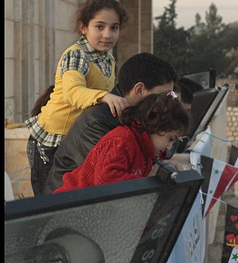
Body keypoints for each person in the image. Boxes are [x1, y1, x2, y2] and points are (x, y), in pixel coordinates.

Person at [25, 0, 129, 195]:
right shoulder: (76, 54)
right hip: (50, 143)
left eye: (114, 28)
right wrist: (104, 96)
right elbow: (74, 92)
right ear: (84, 27)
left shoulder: (107, 59)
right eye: (100, 27)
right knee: (47, 202)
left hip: (74, 141)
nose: (107, 34)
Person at [43, 53, 178, 194]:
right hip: (65, 202)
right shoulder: (100, 122)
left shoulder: (133, 117)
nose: (169, 102)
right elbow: (109, 177)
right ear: (139, 89)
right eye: (165, 96)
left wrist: (162, 164)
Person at [53, 91, 190, 193]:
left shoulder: (145, 151)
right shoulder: (122, 140)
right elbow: (106, 178)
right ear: (153, 125)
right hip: (70, 204)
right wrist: (149, 182)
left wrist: (163, 166)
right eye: (170, 139)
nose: (169, 147)